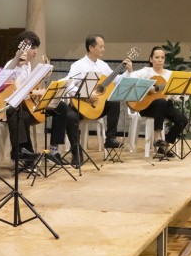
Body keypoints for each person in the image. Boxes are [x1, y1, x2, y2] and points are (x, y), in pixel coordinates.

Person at [47, 35, 133, 166]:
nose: (103, 49)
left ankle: (110, 138)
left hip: (98, 106)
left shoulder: (103, 66)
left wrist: (128, 72)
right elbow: (68, 83)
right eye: (101, 46)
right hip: (81, 105)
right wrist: (85, 94)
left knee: (114, 101)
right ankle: (76, 151)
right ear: (91, 47)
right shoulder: (78, 65)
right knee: (70, 117)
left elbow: (116, 80)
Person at [129, 46, 187, 157]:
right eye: (157, 57)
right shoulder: (146, 72)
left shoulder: (170, 75)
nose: (160, 60)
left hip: (165, 105)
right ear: (151, 59)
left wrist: (182, 90)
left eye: (162, 57)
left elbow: (174, 97)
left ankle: (165, 145)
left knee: (182, 120)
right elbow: (131, 78)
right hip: (147, 106)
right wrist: (147, 86)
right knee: (161, 102)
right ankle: (157, 137)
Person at [3, 30, 46, 165]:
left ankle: (22, 153)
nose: (35, 51)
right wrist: (35, 93)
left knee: (26, 116)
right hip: (8, 104)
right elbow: (8, 84)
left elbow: (27, 87)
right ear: (23, 48)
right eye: (32, 48)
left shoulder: (28, 65)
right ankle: (20, 152)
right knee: (18, 113)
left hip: (22, 104)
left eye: (36, 48)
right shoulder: (12, 64)